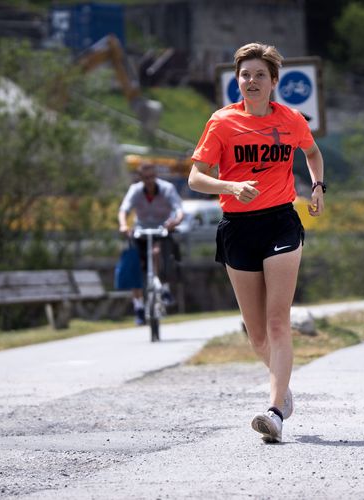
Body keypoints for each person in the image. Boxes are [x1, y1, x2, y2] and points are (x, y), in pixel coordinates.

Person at [188, 42, 325, 443]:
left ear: (273, 82)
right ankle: (283, 392)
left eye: (259, 75)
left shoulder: (292, 119)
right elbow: (196, 177)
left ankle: (275, 411)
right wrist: (230, 184)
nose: (251, 81)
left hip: (281, 222)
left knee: (278, 320)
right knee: (257, 332)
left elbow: (312, 153)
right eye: (245, 75)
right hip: (237, 226)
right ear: (237, 81)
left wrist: (317, 186)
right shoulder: (222, 122)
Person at [118, 158, 184, 325]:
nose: (150, 180)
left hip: (162, 229)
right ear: (141, 178)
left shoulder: (167, 188)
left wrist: (175, 222)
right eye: (146, 177)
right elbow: (124, 209)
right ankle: (139, 307)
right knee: (134, 266)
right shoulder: (135, 190)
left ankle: (165, 288)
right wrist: (124, 225)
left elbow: (179, 209)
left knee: (165, 255)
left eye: (152, 176)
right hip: (141, 231)